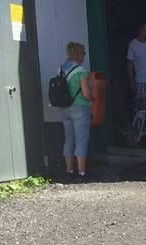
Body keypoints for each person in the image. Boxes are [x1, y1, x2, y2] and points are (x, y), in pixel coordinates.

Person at [58, 42, 92, 182]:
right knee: (81, 139)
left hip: (64, 108)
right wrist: (92, 99)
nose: (84, 56)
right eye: (83, 53)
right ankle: (81, 173)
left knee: (68, 139)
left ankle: (69, 171)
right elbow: (86, 93)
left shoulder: (61, 69)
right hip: (80, 108)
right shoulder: (81, 70)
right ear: (78, 54)